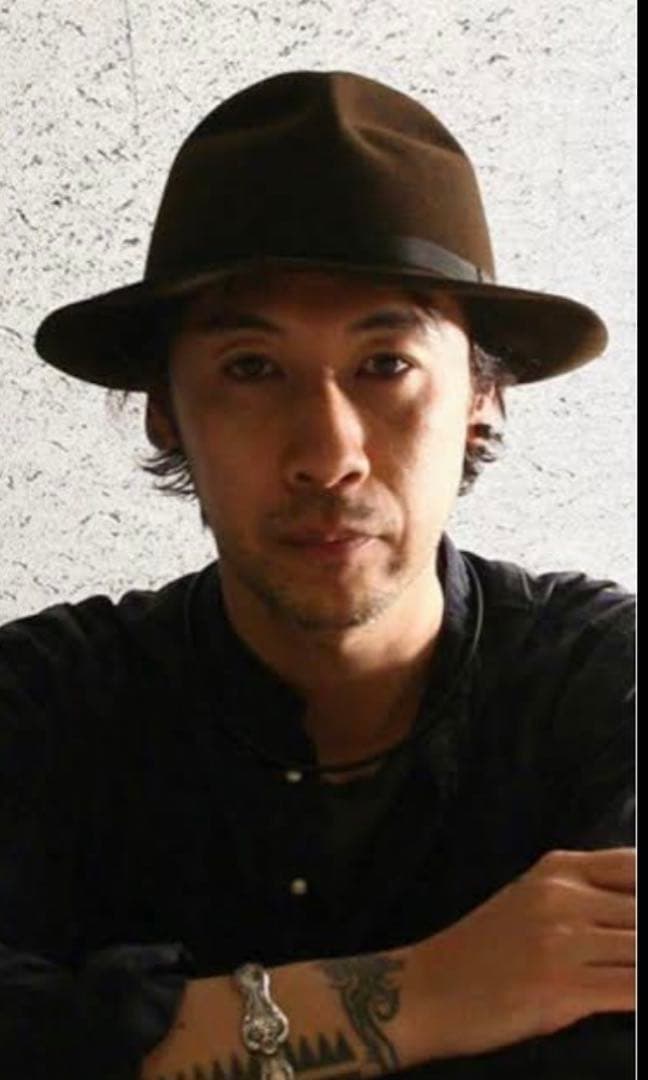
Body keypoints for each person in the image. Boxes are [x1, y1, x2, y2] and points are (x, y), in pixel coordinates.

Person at [0, 71, 634, 1080]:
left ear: (482, 393)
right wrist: (434, 992)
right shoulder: (42, 702)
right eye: (252, 369)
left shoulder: (605, 688)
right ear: (166, 410)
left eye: (387, 365)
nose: (328, 455)